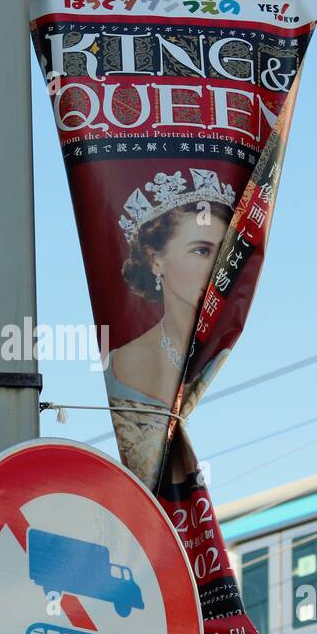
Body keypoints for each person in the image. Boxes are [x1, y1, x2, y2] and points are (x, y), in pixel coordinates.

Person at [104, 168, 235, 484]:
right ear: (155, 260)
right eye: (201, 251)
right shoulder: (121, 364)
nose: (215, 268)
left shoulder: (227, 349)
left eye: (223, 253)